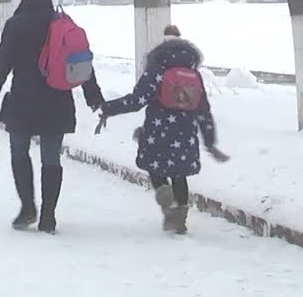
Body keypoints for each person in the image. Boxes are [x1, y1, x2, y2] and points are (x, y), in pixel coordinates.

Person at [0, 0, 103, 235]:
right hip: (57, 102)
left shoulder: (15, 25)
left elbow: (1, 66)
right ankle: (48, 216)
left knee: (19, 154)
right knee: (51, 159)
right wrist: (95, 98)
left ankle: (27, 208)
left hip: (23, 102)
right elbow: (81, 62)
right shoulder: (61, 22)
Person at [97, 24, 228, 234]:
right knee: (179, 174)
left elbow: (137, 100)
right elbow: (204, 110)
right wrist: (210, 141)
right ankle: (180, 218)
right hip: (186, 134)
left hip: (158, 133)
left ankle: (169, 205)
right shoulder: (193, 74)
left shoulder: (156, 71)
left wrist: (109, 108)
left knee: (155, 169)